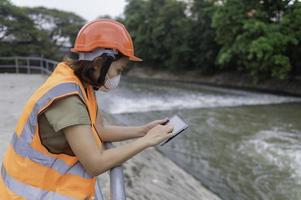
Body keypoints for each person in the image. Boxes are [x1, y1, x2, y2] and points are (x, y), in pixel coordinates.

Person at [0, 19, 174, 200]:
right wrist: (147, 141)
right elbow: (95, 163)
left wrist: (144, 130)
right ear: (98, 63)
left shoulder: (82, 85)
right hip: (31, 194)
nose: (117, 78)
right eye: (119, 70)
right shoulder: (67, 99)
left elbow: (101, 130)